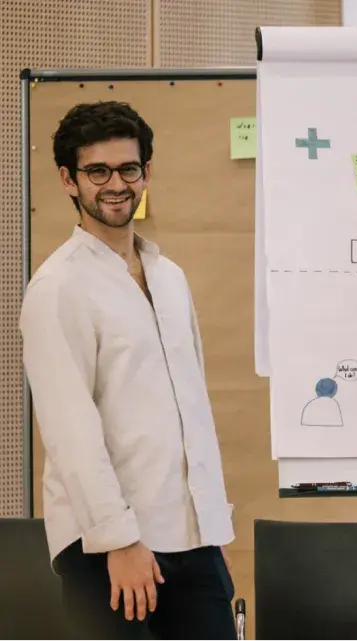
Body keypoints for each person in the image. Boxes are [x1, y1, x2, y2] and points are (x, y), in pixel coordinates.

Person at [19, 101, 236, 641]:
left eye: (129, 169)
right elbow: (70, 432)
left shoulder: (170, 277)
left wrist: (210, 524)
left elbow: (191, 407)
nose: (116, 185)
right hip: (109, 547)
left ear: (146, 173)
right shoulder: (58, 288)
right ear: (69, 181)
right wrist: (119, 540)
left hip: (193, 536)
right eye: (98, 171)